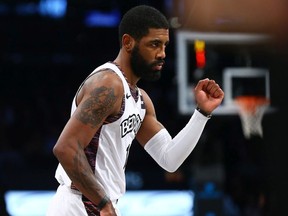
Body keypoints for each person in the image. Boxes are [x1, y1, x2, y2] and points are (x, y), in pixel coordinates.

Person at [46, 4, 224, 216]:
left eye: (165, 45)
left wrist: (201, 113)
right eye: (154, 44)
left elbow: (170, 159)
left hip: (99, 203)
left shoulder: (140, 100)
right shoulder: (108, 84)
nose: (162, 54)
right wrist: (103, 203)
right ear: (128, 42)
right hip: (80, 203)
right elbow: (65, 147)